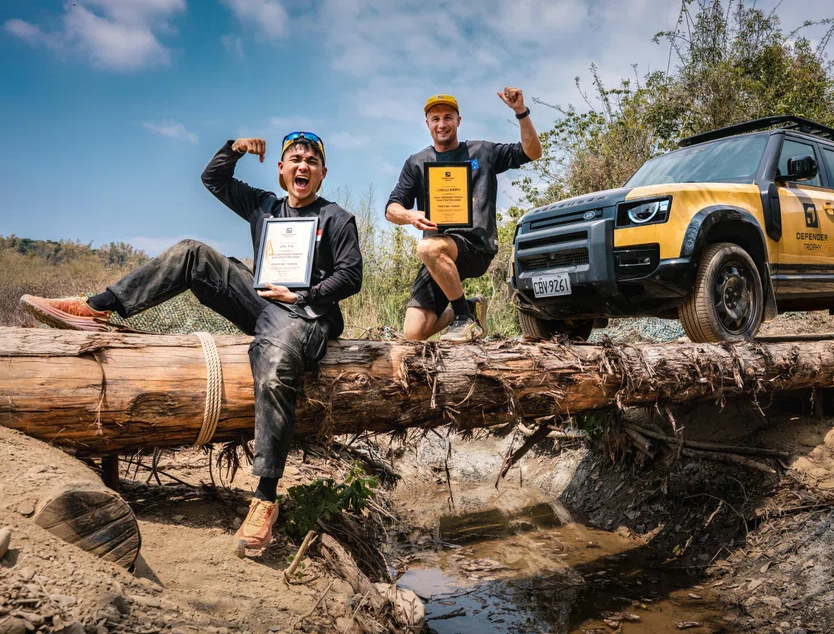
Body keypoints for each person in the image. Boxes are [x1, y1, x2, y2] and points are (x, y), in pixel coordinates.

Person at [21, 132, 362, 550]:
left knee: (272, 369)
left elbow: (351, 275)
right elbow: (213, 179)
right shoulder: (265, 206)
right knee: (192, 252)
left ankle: (265, 499)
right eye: (295, 158)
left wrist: (304, 295)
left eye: (312, 160)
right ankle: (97, 307)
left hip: (307, 315)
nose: (303, 165)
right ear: (282, 169)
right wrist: (234, 147)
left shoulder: (337, 218)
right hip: (264, 302)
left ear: (323, 173)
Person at [385, 88, 542, 342]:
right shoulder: (416, 162)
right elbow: (392, 209)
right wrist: (410, 216)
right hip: (438, 253)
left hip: (475, 245)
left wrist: (520, 112)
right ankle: (467, 308)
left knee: (427, 248)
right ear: (427, 124)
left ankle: (464, 319)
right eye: (435, 119)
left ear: (459, 120)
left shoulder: (483, 152)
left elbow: (532, 152)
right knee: (413, 334)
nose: (442, 124)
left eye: (448, 117)